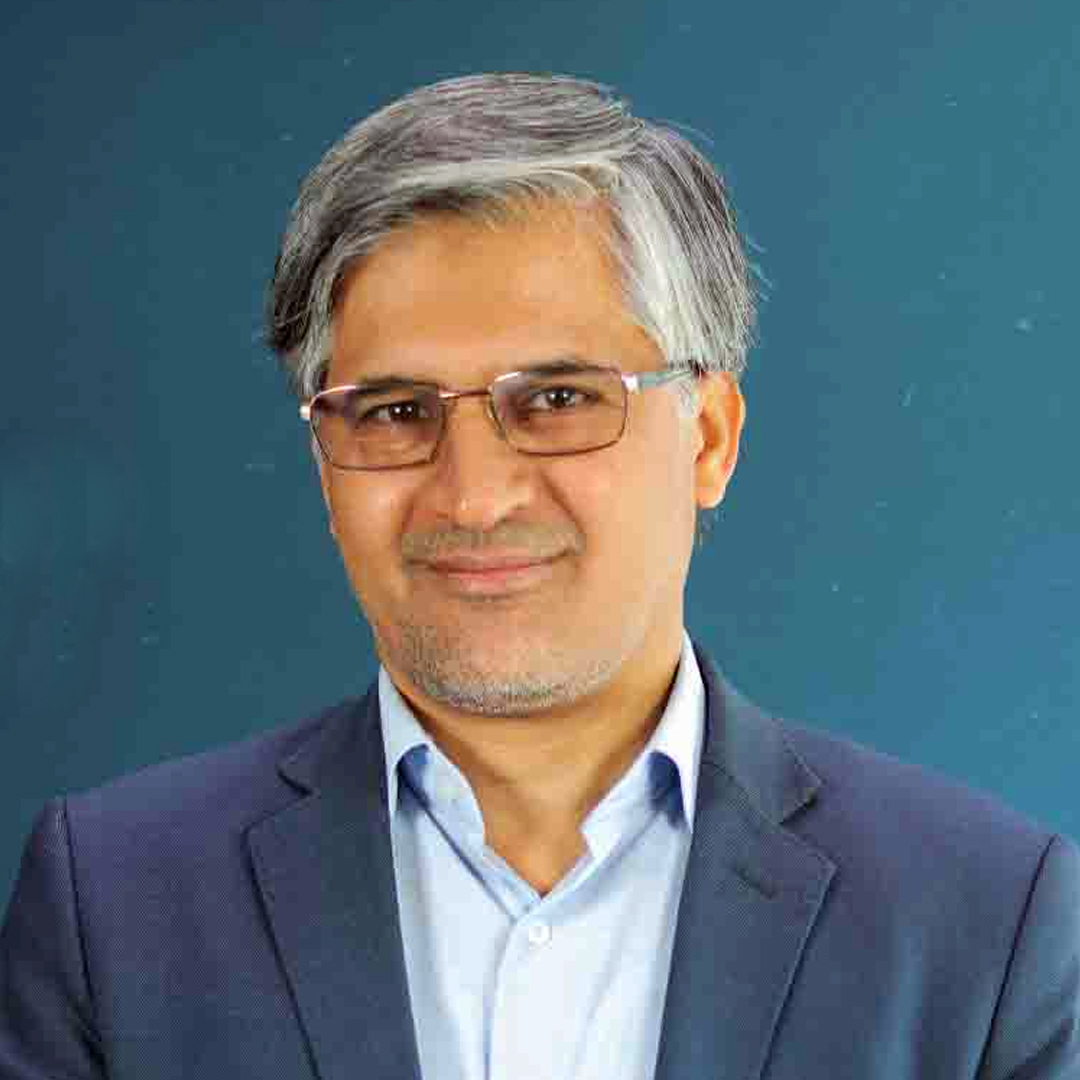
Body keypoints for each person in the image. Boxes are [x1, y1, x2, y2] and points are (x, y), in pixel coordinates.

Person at [1, 72, 1077, 1080]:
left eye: (558, 401)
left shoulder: (988, 927)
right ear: (324, 464)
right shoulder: (113, 905)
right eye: (394, 412)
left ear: (708, 438)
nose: (473, 497)